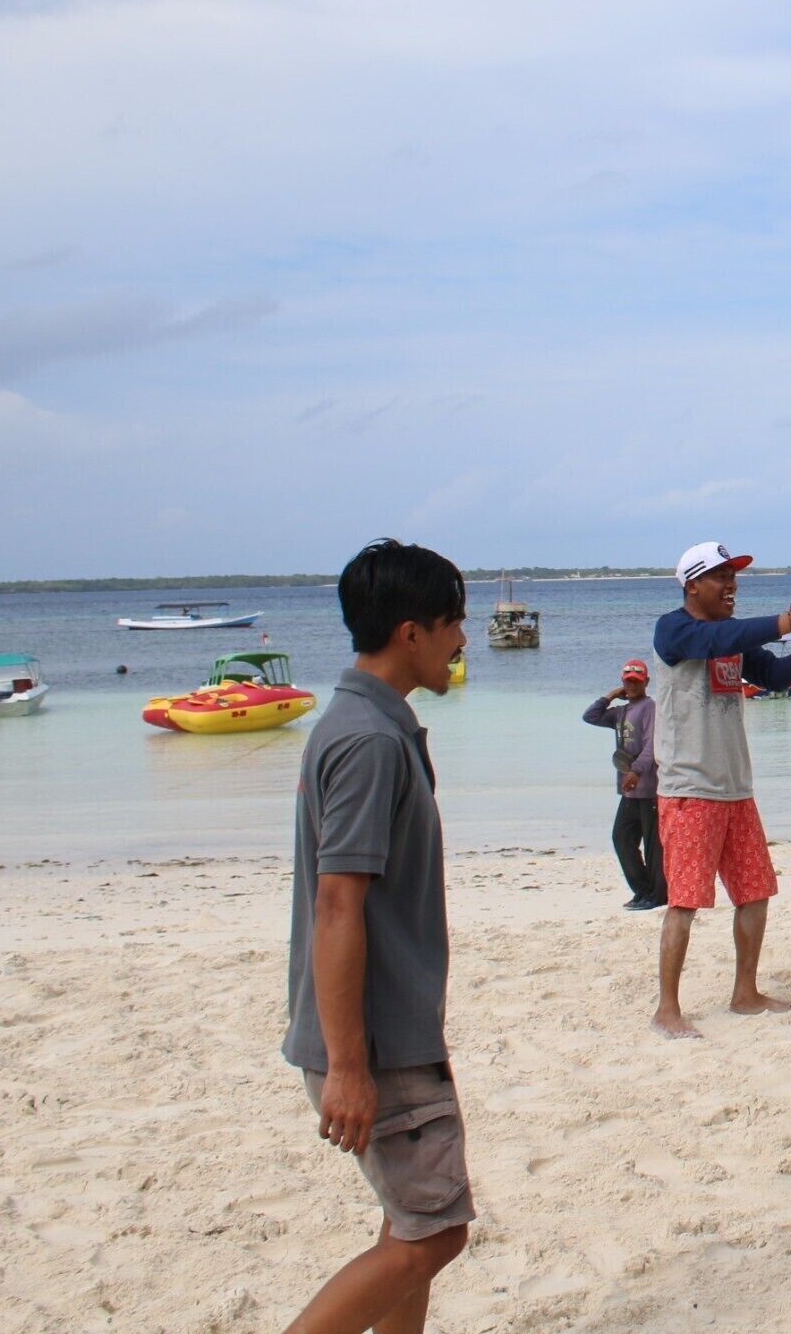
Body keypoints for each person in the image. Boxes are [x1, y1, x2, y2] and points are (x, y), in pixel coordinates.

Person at [281, 540, 472, 1334]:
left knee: (409, 1223)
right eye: (452, 622)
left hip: (387, 1033)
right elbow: (336, 905)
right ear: (410, 633)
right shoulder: (369, 740)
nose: (462, 639)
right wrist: (349, 1066)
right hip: (378, 1045)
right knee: (435, 1233)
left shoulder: (365, 723)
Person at [649, 542, 791, 1035]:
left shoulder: (730, 637)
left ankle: (745, 993)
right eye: (720, 577)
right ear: (693, 585)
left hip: (736, 788)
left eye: (733, 576)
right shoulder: (674, 630)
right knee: (685, 902)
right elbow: (720, 638)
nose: (731, 585)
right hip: (690, 789)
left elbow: (773, 676)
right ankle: (667, 1009)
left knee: (755, 892)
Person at [583, 659, 662, 911]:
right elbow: (590, 717)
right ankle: (643, 891)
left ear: (646, 682)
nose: (632, 686)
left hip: (649, 789)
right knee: (622, 839)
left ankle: (657, 895)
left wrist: (637, 770)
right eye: (628, 681)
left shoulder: (650, 708)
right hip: (629, 792)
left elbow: (652, 745)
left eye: (637, 682)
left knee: (653, 847)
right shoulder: (620, 712)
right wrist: (609, 696)